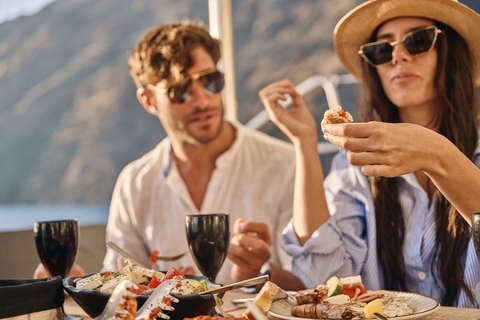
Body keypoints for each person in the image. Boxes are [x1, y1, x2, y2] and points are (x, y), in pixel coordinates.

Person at [34, 20, 297, 286]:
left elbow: (313, 284)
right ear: (148, 101)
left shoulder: (286, 164)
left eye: (210, 81)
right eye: (180, 91)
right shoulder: (134, 183)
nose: (203, 100)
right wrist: (80, 285)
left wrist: (259, 273)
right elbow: (121, 287)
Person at [258, 0, 480, 308]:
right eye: (382, 49)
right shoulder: (353, 167)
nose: (398, 55)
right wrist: (306, 141)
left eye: (417, 40)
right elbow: (326, 278)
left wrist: (438, 154)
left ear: (450, 53)